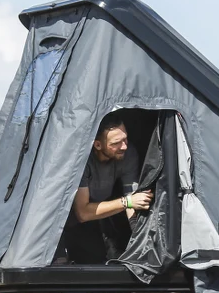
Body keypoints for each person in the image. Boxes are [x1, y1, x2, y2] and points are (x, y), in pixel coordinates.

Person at [62, 111, 153, 263]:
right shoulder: (82, 161)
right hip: (68, 222)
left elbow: (132, 198)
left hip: (101, 217)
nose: (124, 146)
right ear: (97, 145)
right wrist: (126, 202)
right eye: (116, 143)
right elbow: (82, 213)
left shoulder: (128, 154)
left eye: (125, 138)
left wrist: (140, 240)